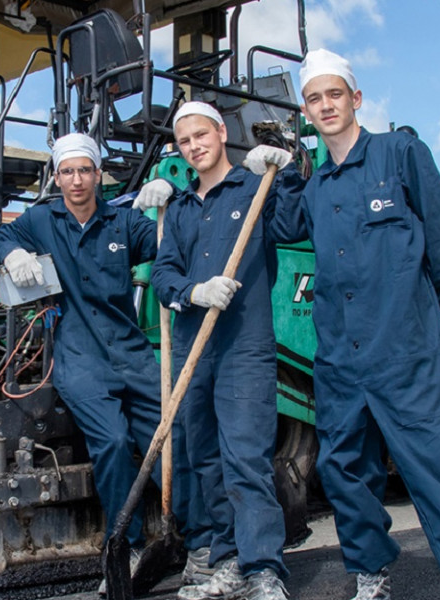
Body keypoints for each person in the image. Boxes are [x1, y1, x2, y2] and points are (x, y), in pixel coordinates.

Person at [273, 48, 440, 600]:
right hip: (338, 358)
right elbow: (283, 225)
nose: (326, 105)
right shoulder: (315, 186)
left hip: (407, 353)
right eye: (314, 98)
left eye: (335, 94)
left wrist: (415, 309)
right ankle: (371, 572)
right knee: (344, 472)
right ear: (306, 112)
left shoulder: (399, 152)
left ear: (356, 99)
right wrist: (282, 171)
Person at [0, 133, 210, 592]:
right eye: (68, 172)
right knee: (115, 442)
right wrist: (11, 250)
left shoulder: (123, 223)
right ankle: (128, 546)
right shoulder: (42, 220)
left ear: (99, 175)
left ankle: (195, 542)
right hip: (79, 358)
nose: (77, 180)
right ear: (57, 177)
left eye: (85, 170)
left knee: (173, 438)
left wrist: (173, 198)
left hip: (132, 354)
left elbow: (176, 238)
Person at [135, 102, 304, 600]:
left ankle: (264, 571)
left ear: (221, 133)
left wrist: (286, 171)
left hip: (244, 347)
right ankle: (226, 563)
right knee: (205, 459)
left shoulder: (255, 190)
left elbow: (295, 225)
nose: (194, 146)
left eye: (201, 135)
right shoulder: (180, 209)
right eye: (185, 141)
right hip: (192, 347)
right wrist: (193, 291)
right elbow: (164, 274)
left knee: (245, 459)